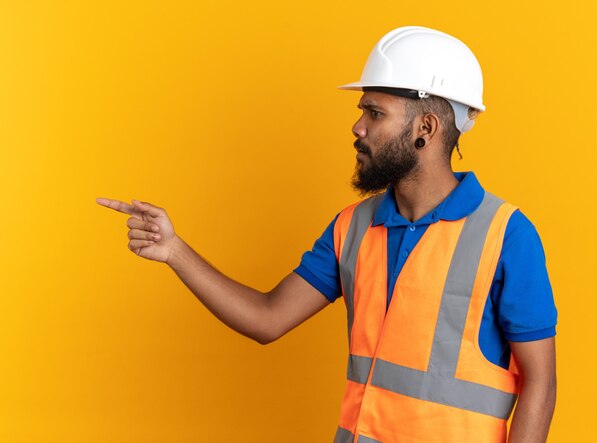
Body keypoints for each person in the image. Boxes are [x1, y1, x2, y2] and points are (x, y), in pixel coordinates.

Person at [97, 26, 557, 443]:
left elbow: (540, 383)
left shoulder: (506, 236)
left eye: (375, 113)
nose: (357, 128)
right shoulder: (352, 227)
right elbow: (267, 319)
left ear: (426, 128)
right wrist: (175, 250)